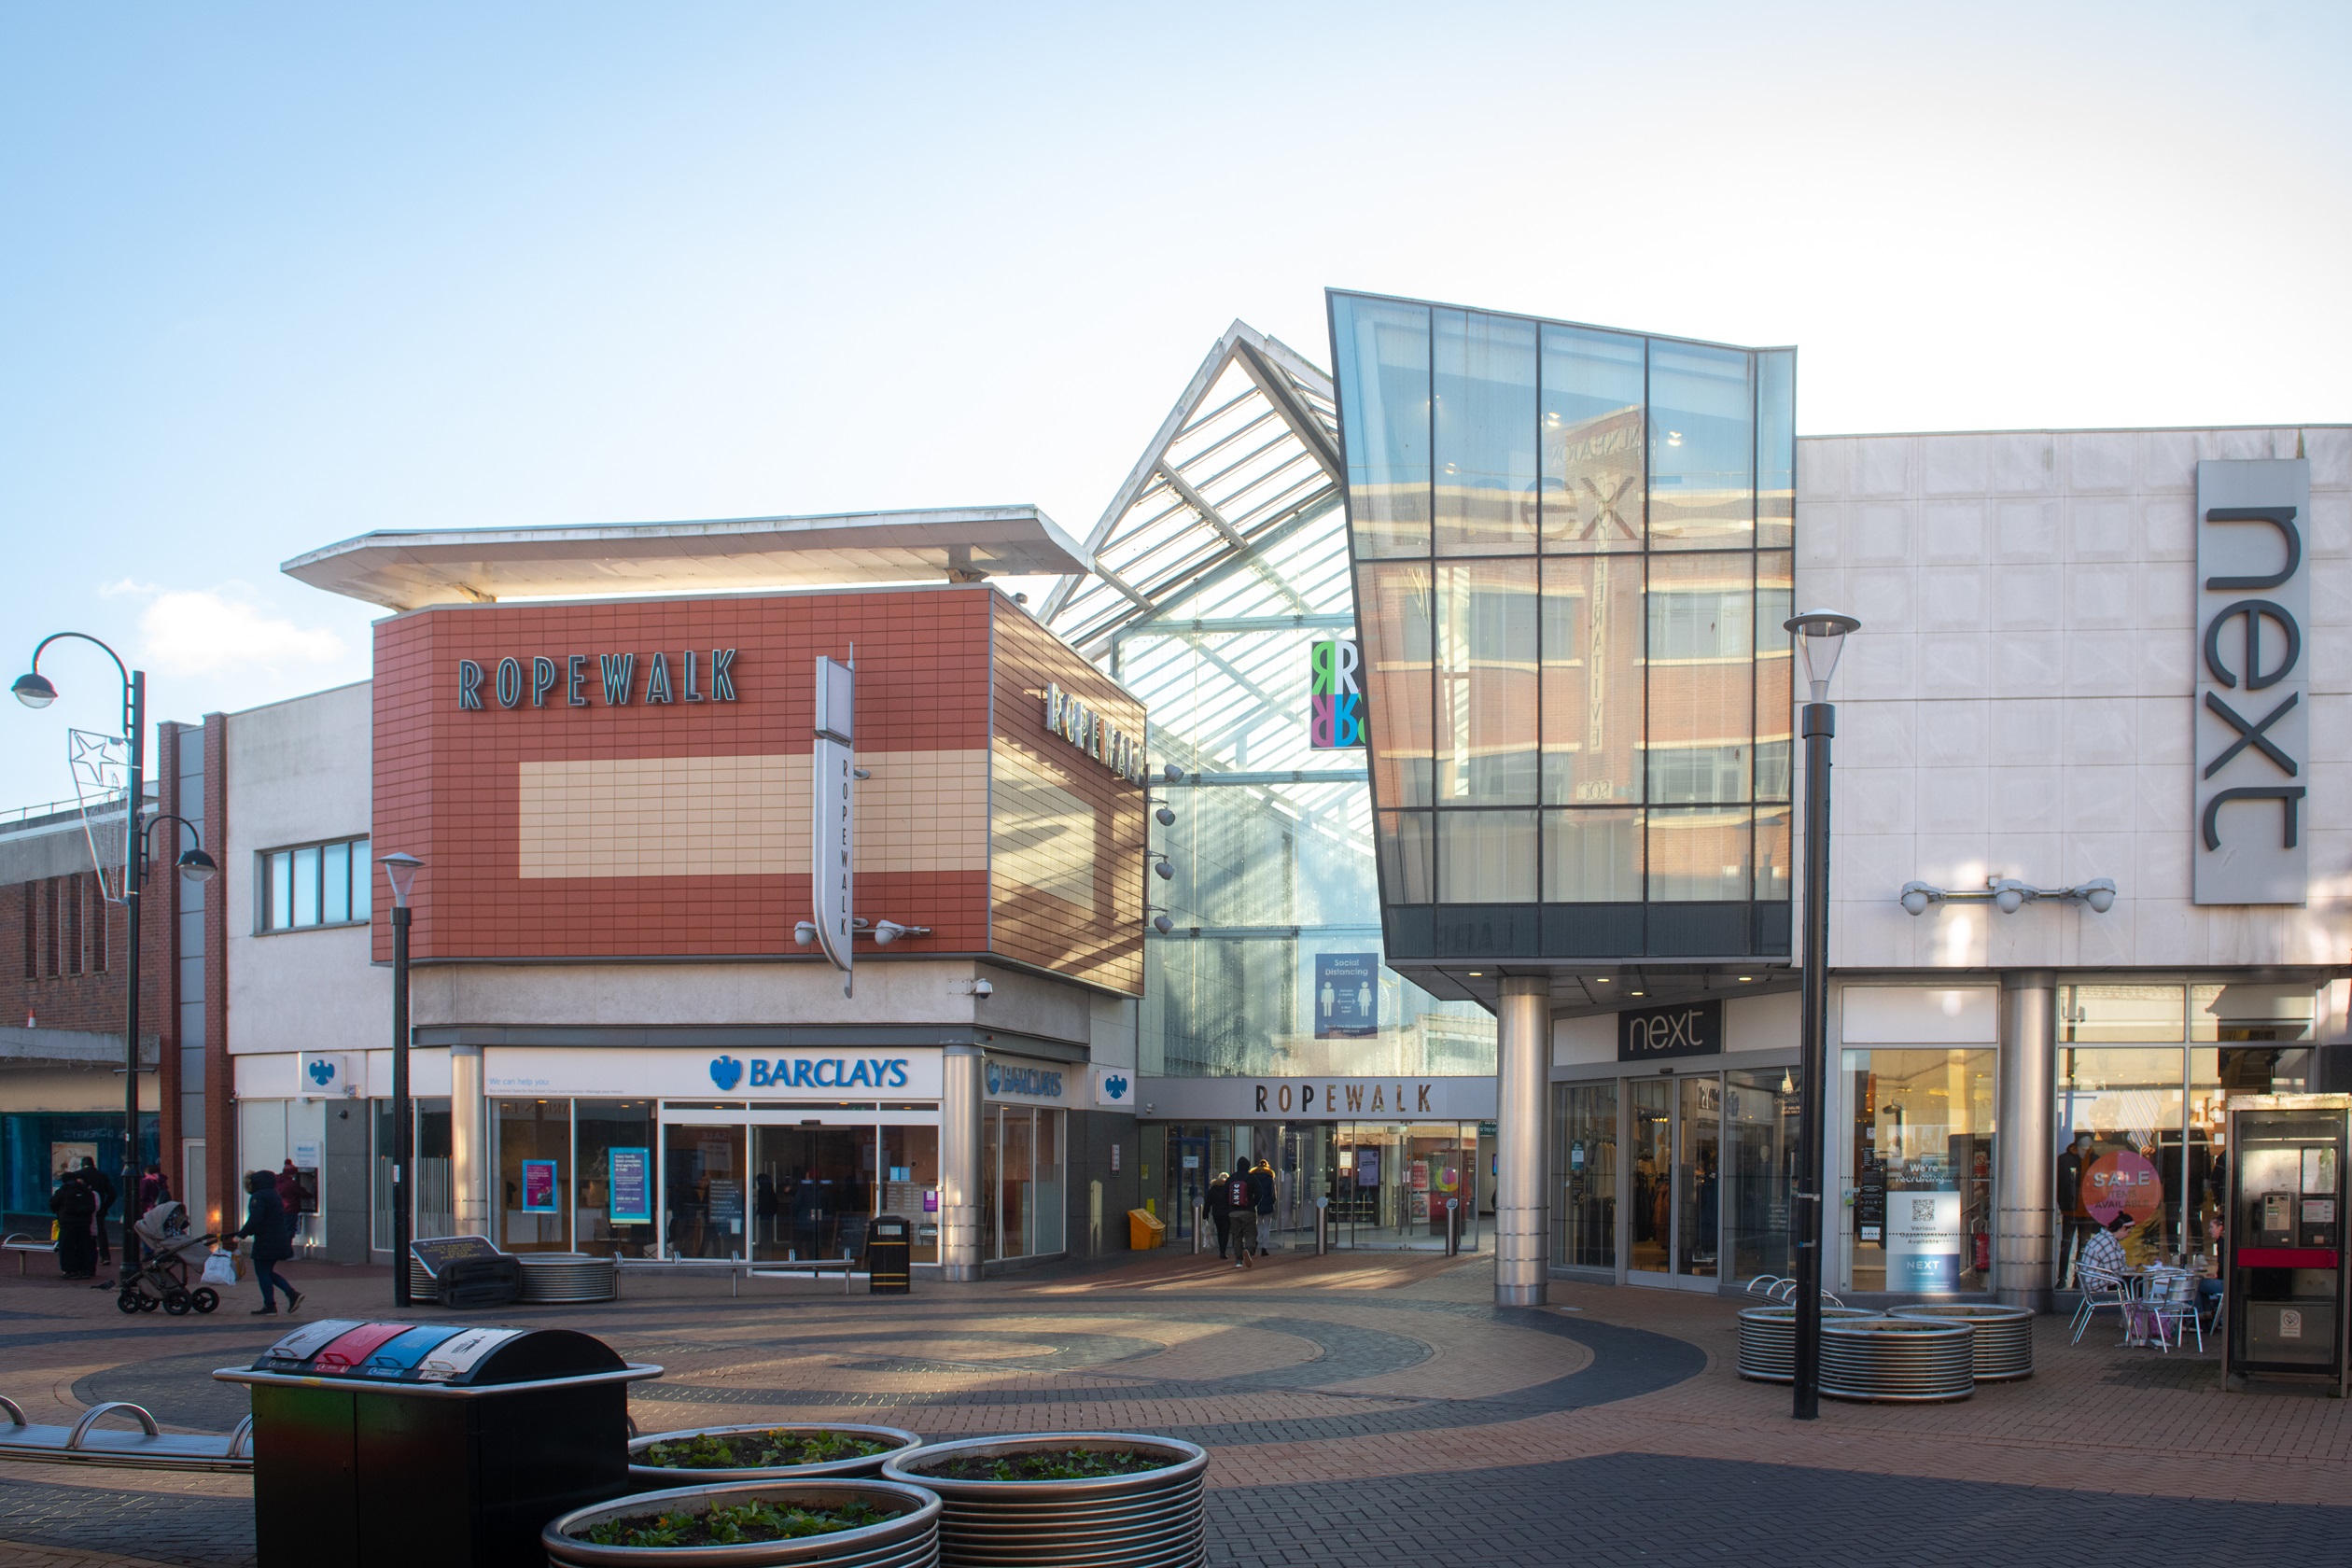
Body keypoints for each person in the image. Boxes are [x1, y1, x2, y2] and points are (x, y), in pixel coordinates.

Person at [232, 1169, 301, 1316]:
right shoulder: (274, 1194)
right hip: (278, 1238)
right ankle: (291, 1294)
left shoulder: (258, 1197)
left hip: (265, 1240)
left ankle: (271, 1304)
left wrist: (241, 1235)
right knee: (267, 1272)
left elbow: (256, 1218)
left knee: (262, 1272)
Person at [49, 1171, 98, 1280]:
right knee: (84, 1247)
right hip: (85, 1223)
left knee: (66, 1247)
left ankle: (70, 1270)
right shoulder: (86, 1190)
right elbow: (92, 1206)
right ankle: (84, 1270)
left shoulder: (63, 1190)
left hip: (68, 1223)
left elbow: (53, 1205)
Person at [77, 1157, 118, 1268]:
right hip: (98, 1207)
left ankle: (83, 1256)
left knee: (82, 1231)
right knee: (100, 1232)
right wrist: (104, 1206)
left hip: (81, 1208)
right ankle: (105, 1256)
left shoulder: (78, 1175)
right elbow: (112, 1194)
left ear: (82, 1164)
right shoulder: (102, 1176)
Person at [2079, 1211, 2131, 1284]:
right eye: (2129, 1232)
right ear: (2123, 1228)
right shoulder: (2108, 1243)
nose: (2128, 1236)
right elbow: (2117, 1271)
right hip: (2098, 1284)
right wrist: (2132, 1270)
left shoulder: (2102, 1237)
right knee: (2137, 1282)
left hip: (2092, 1281)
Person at [1225, 1168, 1257, 1270]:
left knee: (1237, 1236)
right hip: (1248, 1212)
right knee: (1250, 1233)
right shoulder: (1251, 1178)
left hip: (1233, 1213)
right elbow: (1260, 1192)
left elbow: (1225, 1193)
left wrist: (1230, 1207)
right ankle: (1248, 1250)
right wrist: (1252, 1204)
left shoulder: (1231, 1178)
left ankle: (1238, 1260)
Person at [1250, 1158, 1277, 1256]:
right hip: (1268, 1204)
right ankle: (1264, 1249)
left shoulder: (1253, 1177)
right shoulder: (1270, 1178)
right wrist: (1273, 1202)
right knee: (1267, 1227)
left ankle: (1255, 1242)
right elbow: (1273, 1194)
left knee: (1259, 1226)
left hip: (1257, 1205)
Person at [1205, 1170, 1233, 1258]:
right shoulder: (1228, 1189)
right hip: (1227, 1213)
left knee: (1220, 1231)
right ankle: (1223, 1251)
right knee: (1225, 1232)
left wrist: (1205, 1214)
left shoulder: (1213, 1189)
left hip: (1216, 1213)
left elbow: (1208, 1202)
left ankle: (1221, 1250)